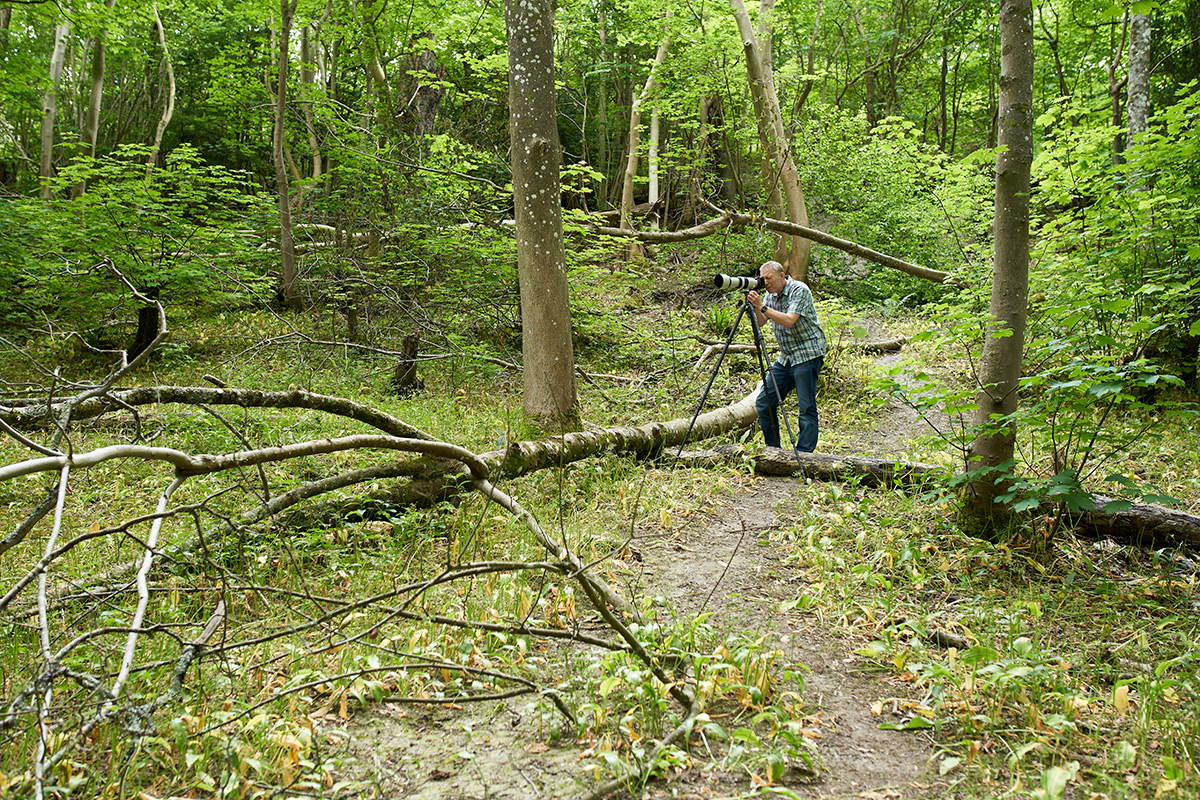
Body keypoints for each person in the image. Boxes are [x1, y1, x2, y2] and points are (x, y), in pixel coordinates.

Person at [747, 260, 826, 452]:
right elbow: (762, 322)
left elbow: (789, 321)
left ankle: (804, 454)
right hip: (787, 356)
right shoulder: (769, 295)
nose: (765, 282)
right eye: (763, 278)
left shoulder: (799, 290)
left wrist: (763, 307)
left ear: (782, 276)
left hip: (808, 353)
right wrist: (754, 306)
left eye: (769, 278)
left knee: (806, 406)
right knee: (765, 401)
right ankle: (773, 450)